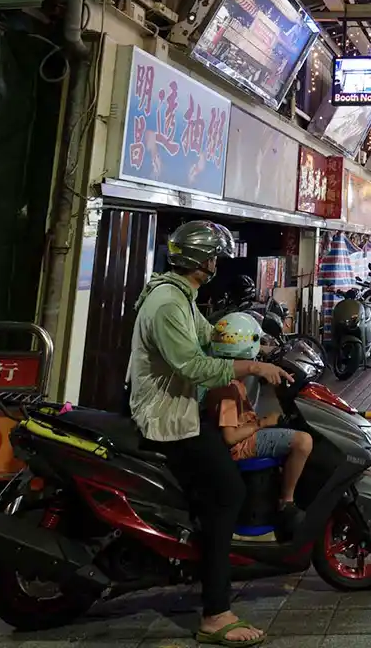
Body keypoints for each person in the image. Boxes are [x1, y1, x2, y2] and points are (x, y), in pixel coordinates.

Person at [128, 220, 290, 645]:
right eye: (214, 255)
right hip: (168, 418)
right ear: (201, 260)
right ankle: (216, 612)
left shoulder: (180, 296)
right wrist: (254, 367)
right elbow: (193, 365)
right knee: (228, 494)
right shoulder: (167, 303)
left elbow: (211, 338)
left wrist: (261, 346)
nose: (217, 261)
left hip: (181, 409)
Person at [206, 312, 313, 540]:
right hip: (241, 445)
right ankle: (287, 502)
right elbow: (230, 436)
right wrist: (263, 423)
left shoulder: (227, 375)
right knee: (303, 442)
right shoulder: (228, 388)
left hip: (246, 434)